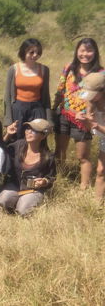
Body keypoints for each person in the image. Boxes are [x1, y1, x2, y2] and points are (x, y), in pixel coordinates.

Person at [53, 38, 103, 190]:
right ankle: (58, 178)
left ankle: (83, 186)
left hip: (84, 120)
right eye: (82, 50)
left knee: (82, 156)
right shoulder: (69, 68)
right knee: (60, 151)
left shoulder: (100, 74)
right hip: (64, 114)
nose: (85, 54)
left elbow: (101, 99)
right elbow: (60, 90)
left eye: (89, 51)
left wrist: (89, 115)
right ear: (77, 51)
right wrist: (53, 108)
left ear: (95, 53)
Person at [0, 119, 56, 216]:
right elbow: (0, 149)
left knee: (23, 210)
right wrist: (8, 135)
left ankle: (22, 203)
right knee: (4, 200)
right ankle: (15, 202)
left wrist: (44, 182)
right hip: (14, 185)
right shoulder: (18, 145)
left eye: (34, 130)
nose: (28, 132)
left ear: (43, 135)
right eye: (27, 128)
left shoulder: (48, 156)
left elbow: (51, 177)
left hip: (33, 190)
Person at [3, 38, 52, 139]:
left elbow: (46, 96)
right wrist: (8, 120)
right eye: (31, 52)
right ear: (24, 51)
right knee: (17, 138)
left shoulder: (44, 70)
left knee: (37, 139)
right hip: (18, 108)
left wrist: (49, 120)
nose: (35, 55)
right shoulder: (14, 69)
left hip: (37, 109)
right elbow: (7, 96)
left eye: (38, 53)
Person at [78, 72, 105, 201]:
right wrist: (84, 121)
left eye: (93, 94)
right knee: (101, 170)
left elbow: (96, 127)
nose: (90, 98)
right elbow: (90, 128)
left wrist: (97, 126)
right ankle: (97, 204)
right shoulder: (91, 102)